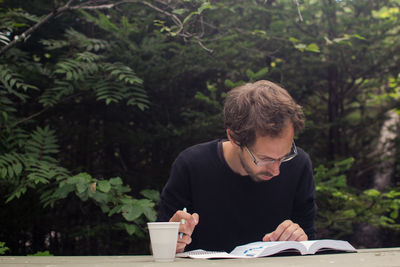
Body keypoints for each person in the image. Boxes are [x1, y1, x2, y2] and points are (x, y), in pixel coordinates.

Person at [156, 80, 317, 253]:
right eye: (265, 159)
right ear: (234, 138)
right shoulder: (192, 165)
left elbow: (309, 243)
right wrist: (169, 241)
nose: (276, 170)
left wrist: (300, 239)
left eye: (285, 156)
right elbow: (156, 247)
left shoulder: (299, 165)